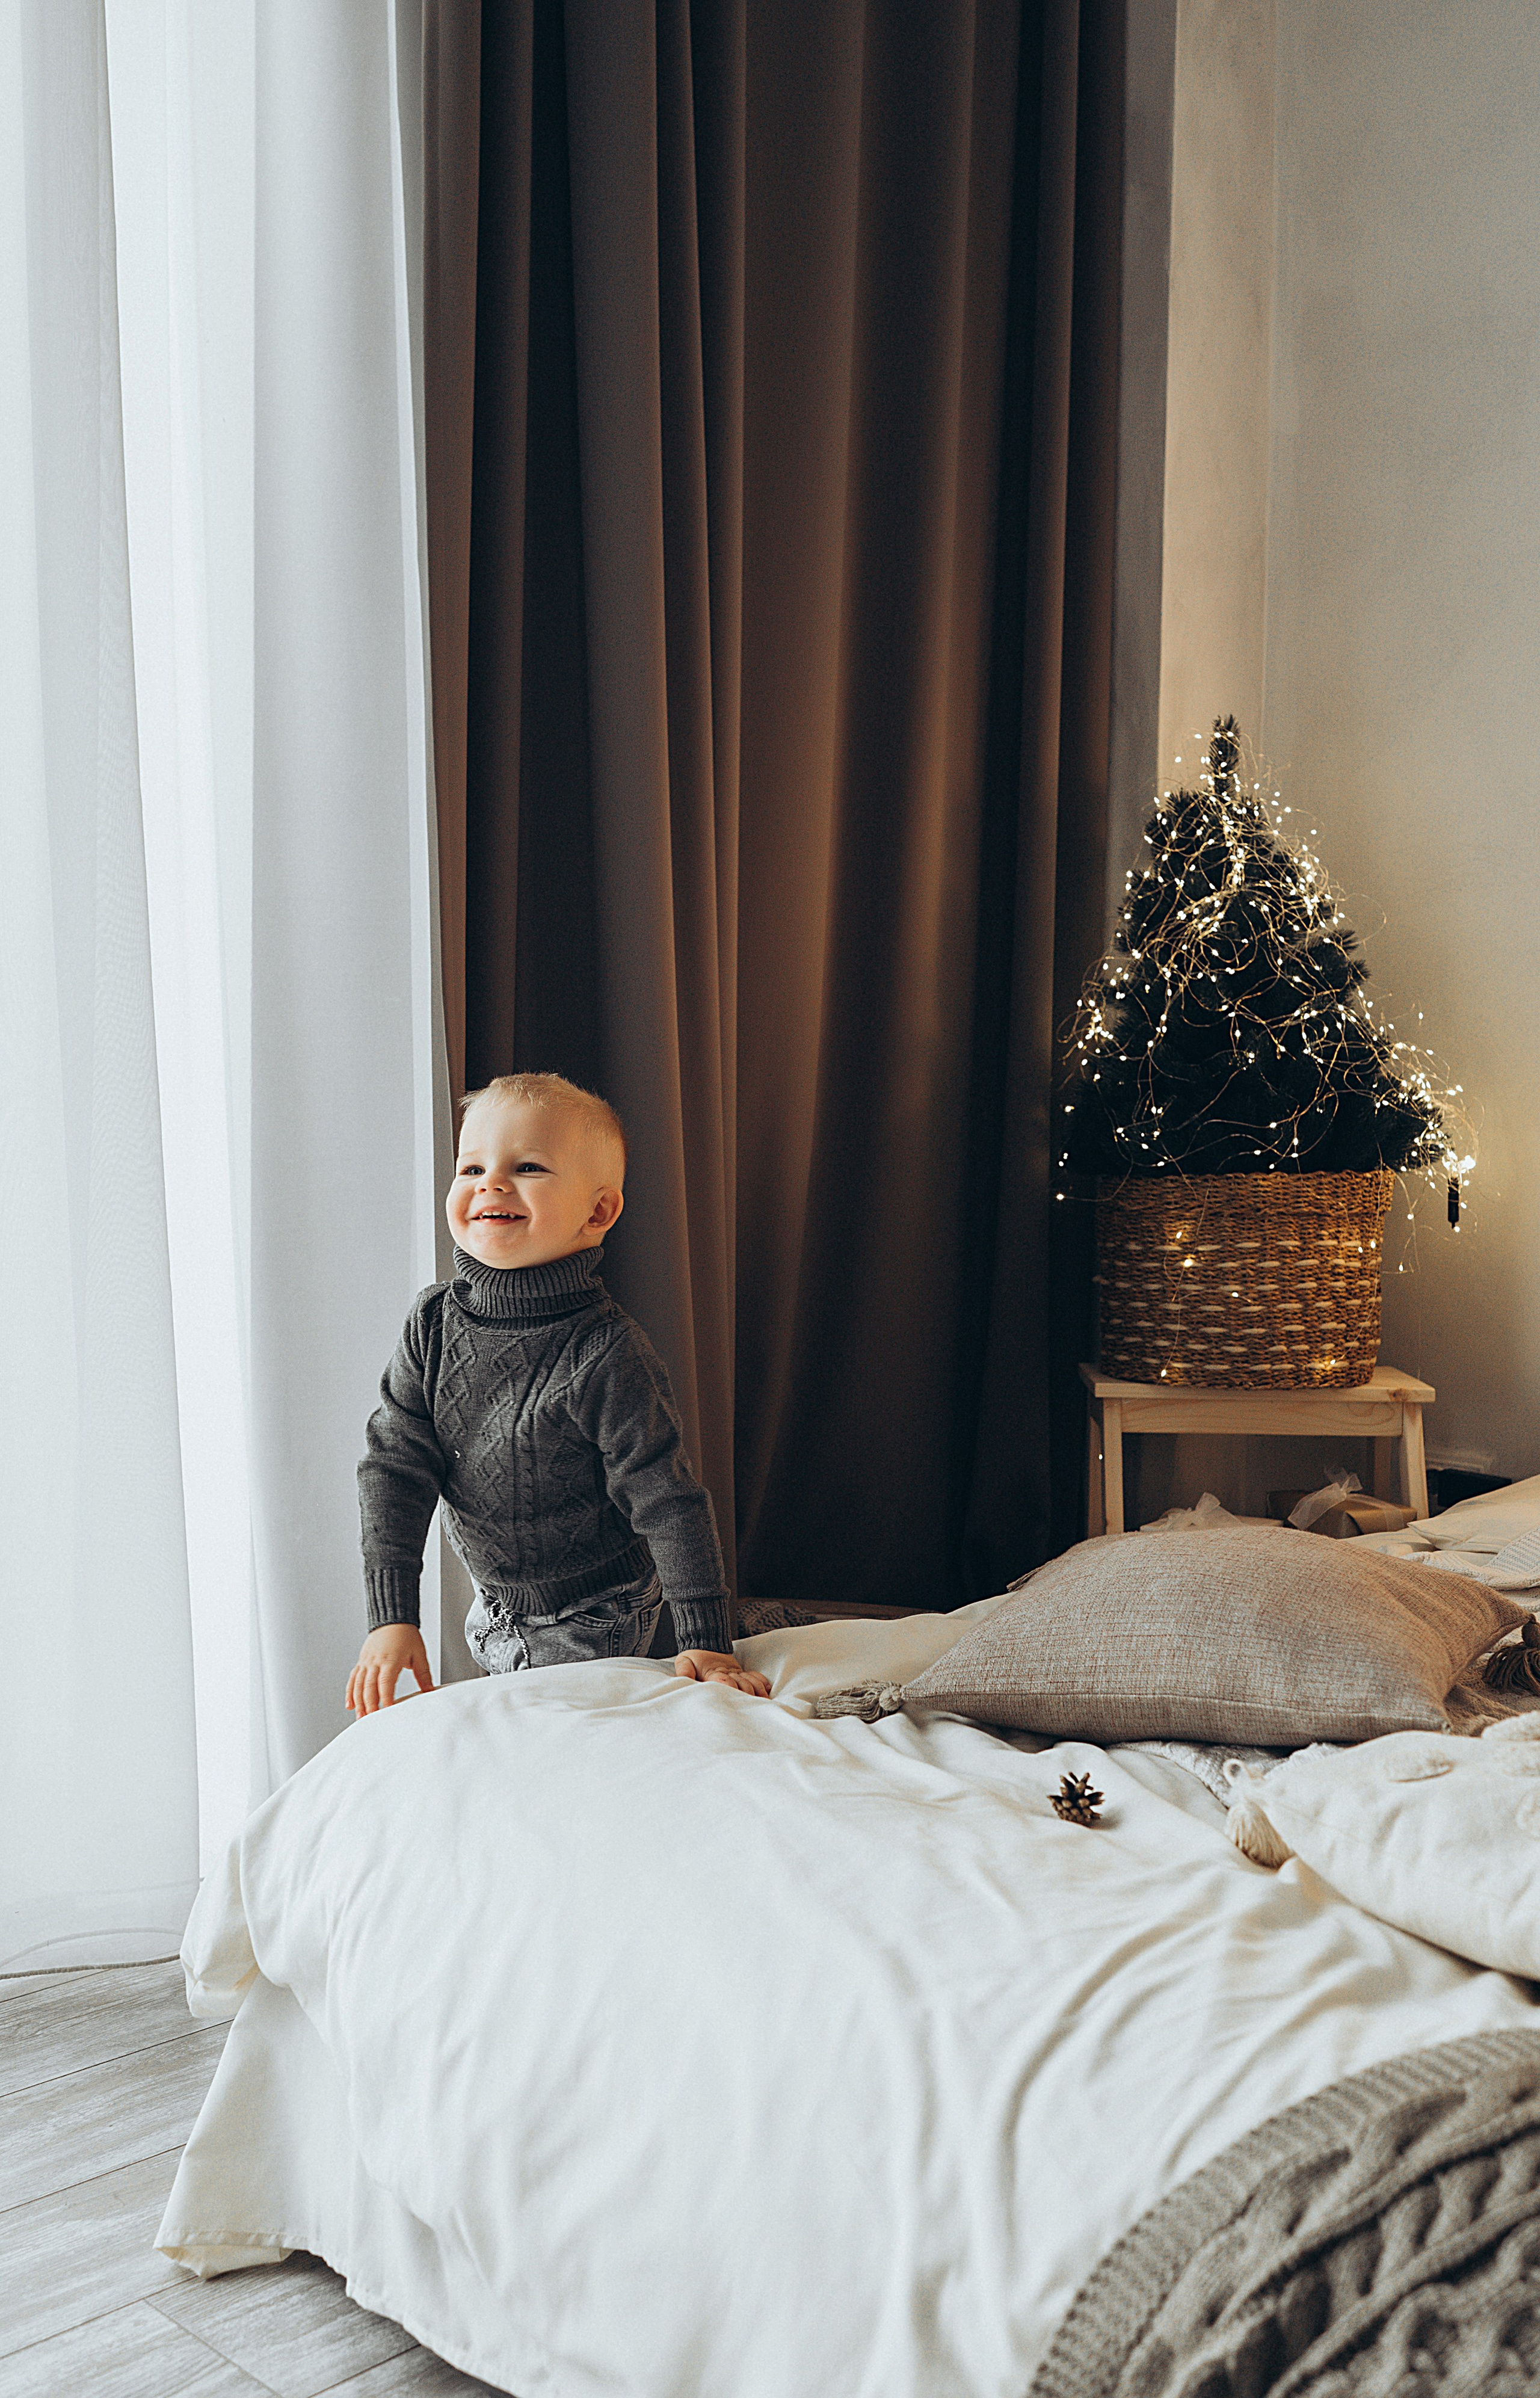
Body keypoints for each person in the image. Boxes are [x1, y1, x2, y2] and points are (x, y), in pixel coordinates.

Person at [346, 1071, 769, 1714]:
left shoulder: (605, 1351)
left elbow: (668, 1500)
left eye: (529, 1166)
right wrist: (391, 1615)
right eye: (472, 1166)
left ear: (597, 1211)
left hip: (596, 1613)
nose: (491, 1182)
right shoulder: (432, 1323)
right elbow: (394, 1468)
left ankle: (739, 1626)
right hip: (495, 1606)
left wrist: (708, 1642)